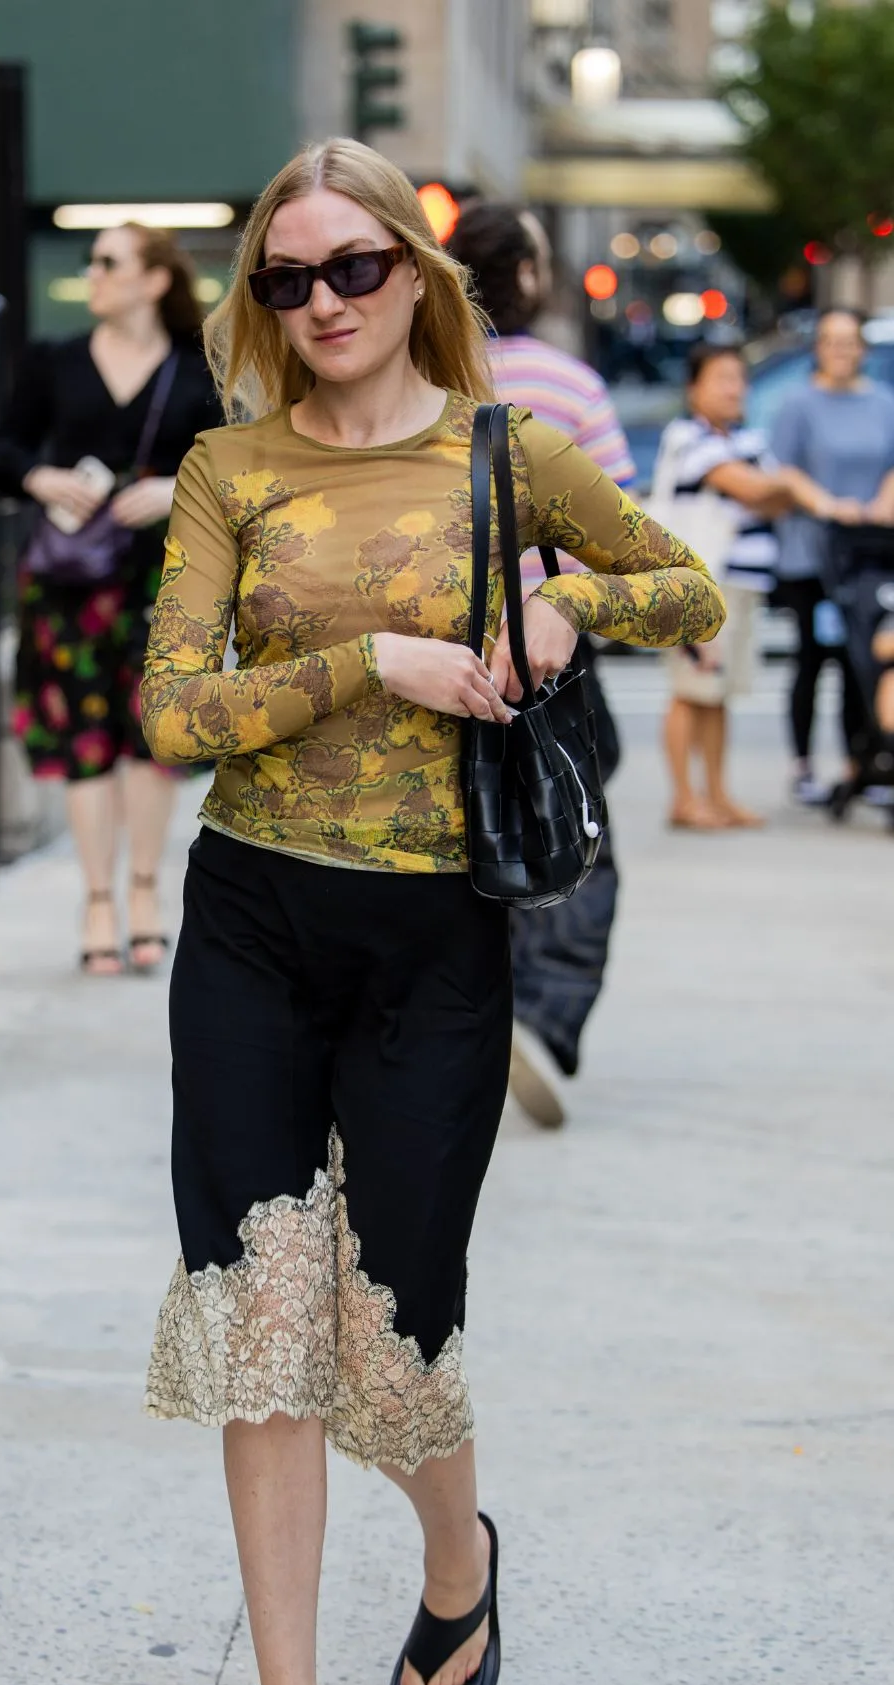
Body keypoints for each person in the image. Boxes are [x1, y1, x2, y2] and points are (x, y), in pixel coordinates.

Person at [140, 137, 724, 1685]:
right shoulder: (229, 467)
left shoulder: (506, 451)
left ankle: (458, 1563)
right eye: (287, 279)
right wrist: (359, 667)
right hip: (251, 922)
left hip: (430, 948)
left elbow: (687, 589)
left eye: (353, 269)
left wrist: (565, 601)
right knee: (261, 1323)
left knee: (396, 1330)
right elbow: (175, 713)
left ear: (417, 273)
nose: (322, 303)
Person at [0, 223, 223, 972]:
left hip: (163, 578)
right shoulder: (55, 360)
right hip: (71, 580)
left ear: (155, 280)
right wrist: (38, 478)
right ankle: (97, 901)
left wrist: (169, 489)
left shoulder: (195, 368)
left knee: (153, 739)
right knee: (85, 739)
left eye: (109, 262)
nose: (94, 274)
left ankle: (145, 893)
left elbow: (231, 466)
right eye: (92, 262)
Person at [450, 200, 636, 1128]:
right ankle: (545, 1014)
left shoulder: (418, 384)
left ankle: (447, 1021)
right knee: (572, 833)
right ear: (526, 276)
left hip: (429, 646)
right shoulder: (568, 386)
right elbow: (622, 538)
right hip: (546, 646)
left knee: (447, 831)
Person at [654, 340, 858, 830]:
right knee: (690, 690)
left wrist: (779, 488)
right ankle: (684, 798)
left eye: (739, 378)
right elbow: (755, 490)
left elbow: (769, 499)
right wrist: (798, 487)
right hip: (696, 588)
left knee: (718, 693)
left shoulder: (745, 440)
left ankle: (718, 795)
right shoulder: (687, 436)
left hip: (739, 587)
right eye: (722, 378)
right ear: (694, 389)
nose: (735, 388)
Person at [770, 307, 894, 804]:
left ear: (862, 348)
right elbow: (781, 469)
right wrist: (828, 505)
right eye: (831, 341)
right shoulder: (798, 403)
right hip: (812, 549)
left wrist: (880, 505)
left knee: (861, 659)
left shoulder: (883, 402)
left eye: (850, 341)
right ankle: (803, 764)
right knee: (812, 658)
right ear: (818, 347)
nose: (841, 351)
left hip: (870, 551)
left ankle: (860, 762)